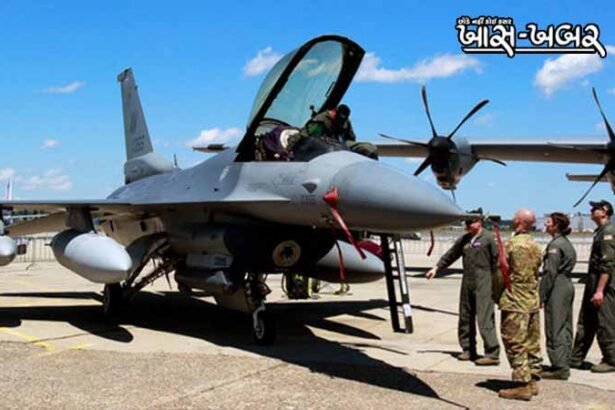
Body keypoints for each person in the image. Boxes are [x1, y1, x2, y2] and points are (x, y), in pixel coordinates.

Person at [425, 209, 500, 365]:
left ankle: (492, 353)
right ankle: (468, 349)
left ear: (479, 223)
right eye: (466, 223)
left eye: (470, 222)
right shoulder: (465, 239)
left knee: (484, 318)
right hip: (468, 281)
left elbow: (497, 262)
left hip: (484, 281)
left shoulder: (488, 239)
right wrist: (437, 268)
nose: (467, 225)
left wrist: (497, 285)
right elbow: (452, 254)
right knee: (465, 316)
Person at [497, 209, 543, 401]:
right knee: (532, 341)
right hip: (531, 298)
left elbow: (501, 271)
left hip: (514, 299)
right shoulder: (535, 245)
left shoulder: (511, 244)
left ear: (518, 221)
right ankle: (532, 381)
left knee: (514, 340)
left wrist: (497, 295)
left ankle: (522, 385)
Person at [569, 200, 615, 373]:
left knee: (605, 322)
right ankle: (576, 358)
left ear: (605, 211)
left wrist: (600, 290)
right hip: (593, 282)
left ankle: (611, 359)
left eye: (595, 208)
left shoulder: (608, 232)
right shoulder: (600, 231)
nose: (591, 210)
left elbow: (607, 264)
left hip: (604, 286)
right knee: (586, 321)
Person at [539, 212, 577, 380]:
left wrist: (541, 295)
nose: (545, 224)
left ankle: (559, 367)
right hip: (566, 284)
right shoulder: (565, 242)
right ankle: (564, 360)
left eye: (548, 222)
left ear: (556, 226)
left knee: (554, 326)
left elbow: (550, 272)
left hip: (557, 286)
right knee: (565, 326)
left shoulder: (555, 245)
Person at [298, 104, 378, 159]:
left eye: (342, 120)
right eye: (338, 119)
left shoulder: (345, 121)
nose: (340, 122)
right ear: (334, 112)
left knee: (370, 149)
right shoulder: (320, 120)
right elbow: (306, 137)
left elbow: (351, 138)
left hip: (342, 145)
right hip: (324, 147)